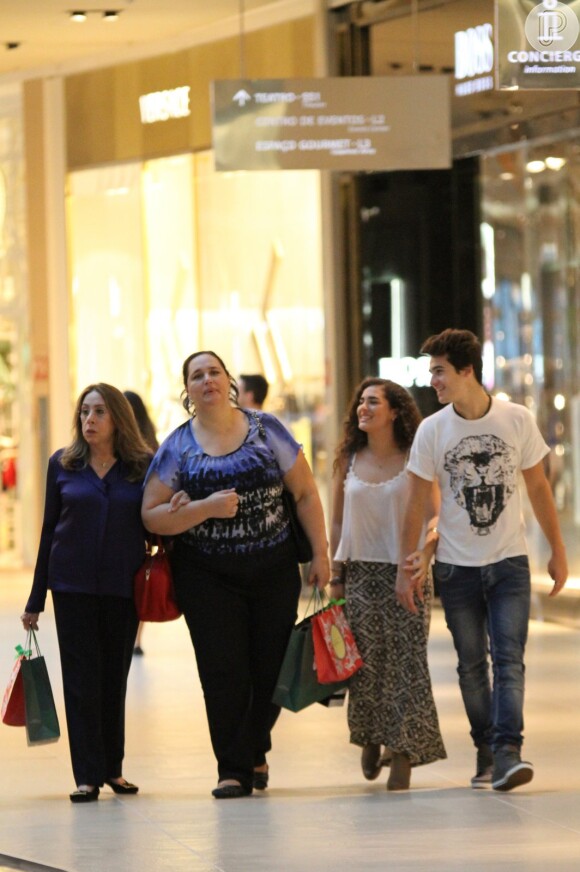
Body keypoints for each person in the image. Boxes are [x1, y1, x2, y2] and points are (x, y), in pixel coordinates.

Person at [141, 351, 329, 799]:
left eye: (214, 372)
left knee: (269, 668)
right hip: (206, 576)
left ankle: (252, 748)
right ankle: (233, 767)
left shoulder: (268, 429)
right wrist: (203, 509)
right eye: (196, 375)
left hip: (273, 569)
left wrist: (321, 554)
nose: (207, 380)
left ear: (228, 382)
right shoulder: (178, 446)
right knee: (222, 672)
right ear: (187, 390)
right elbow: (150, 514)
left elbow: (304, 493)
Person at [396, 329, 568, 792]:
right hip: (455, 568)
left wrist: (558, 549)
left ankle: (509, 751)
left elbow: (537, 487)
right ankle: (486, 750)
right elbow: (414, 502)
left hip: (509, 562)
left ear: (466, 370)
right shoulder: (433, 430)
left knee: (509, 660)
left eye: (439, 371)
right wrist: (405, 565)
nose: (433, 380)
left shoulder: (516, 419)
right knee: (472, 666)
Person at [21, 384, 153, 803]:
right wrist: (35, 598)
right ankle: (86, 776)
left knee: (114, 679)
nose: (89, 420)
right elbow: (48, 530)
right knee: (81, 681)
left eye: (99, 412)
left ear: (117, 418)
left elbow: (152, 526)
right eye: (84, 412)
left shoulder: (141, 467)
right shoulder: (62, 464)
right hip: (71, 587)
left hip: (121, 586)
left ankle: (113, 768)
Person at [330, 378, 446, 791]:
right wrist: (335, 574)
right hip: (360, 572)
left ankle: (402, 753)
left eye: (373, 401)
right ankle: (371, 735)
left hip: (408, 573)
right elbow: (339, 521)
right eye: (360, 401)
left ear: (394, 411)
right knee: (367, 666)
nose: (363, 407)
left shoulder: (416, 458)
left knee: (407, 664)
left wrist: (426, 551)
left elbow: (436, 515)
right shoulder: (348, 460)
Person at [123, 390, 159, 657]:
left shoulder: (139, 453)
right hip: (144, 529)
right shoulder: (153, 446)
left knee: (136, 581)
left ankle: (134, 637)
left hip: (134, 525)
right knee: (142, 581)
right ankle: (137, 638)